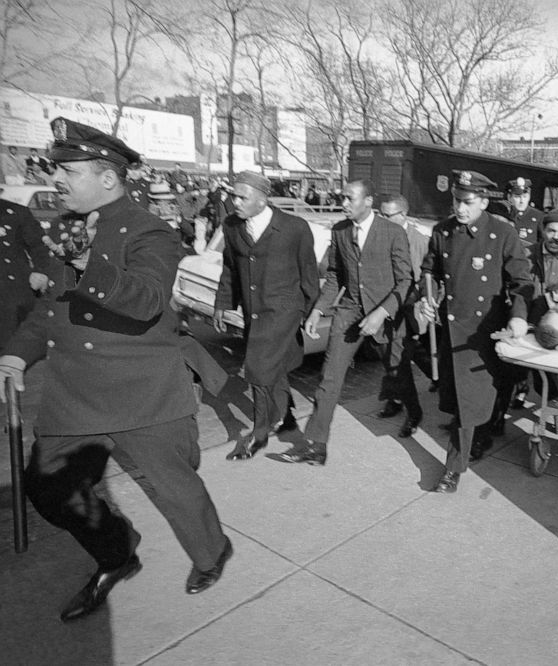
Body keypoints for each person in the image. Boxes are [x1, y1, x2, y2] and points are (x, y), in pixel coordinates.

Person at [0, 118, 231, 622]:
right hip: (75, 396)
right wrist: (19, 351)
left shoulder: (151, 231)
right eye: (54, 169)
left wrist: (88, 264)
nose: (56, 179)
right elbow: (51, 309)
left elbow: (147, 299)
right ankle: (117, 553)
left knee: (176, 491)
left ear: (108, 177)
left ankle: (212, 554)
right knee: (48, 489)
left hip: (141, 394)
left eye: (69, 171)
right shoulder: (66, 228)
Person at [271, 180, 412, 464]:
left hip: (384, 314)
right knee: (330, 377)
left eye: (350, 198)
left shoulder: (393, 232)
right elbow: (335, 275)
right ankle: (316, 445)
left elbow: (406, 280)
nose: (344, 203)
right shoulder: (340, 231)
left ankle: (414, 411)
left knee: (397, 369)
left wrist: (381, 313)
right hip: (348, 312)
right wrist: (318, 310)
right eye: (342, 198)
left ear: (368, 201)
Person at [418, 170, 533, 493]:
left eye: (467, 202)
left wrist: (519, 316)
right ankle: (477, 432)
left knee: (469, 402)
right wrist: (426, 300)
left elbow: (522, 280)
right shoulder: (442, 231)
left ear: (483, 201)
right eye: (456, 200)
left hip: (482, 332)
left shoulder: (502, 232)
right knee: (459, 401)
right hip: (449, 328)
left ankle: (453, 468)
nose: (460, 207)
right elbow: (429, 272)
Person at [213, 171, 319, 460]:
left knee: (258, 368)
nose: (235, 201)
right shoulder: (232, 225)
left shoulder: (294, 227)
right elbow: (230, 269)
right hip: (254, 312)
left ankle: (259, 433)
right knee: (273, 370)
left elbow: (308, 272)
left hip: (284, 311)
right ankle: (287, 421)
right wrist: (222, 303)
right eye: (233, 195)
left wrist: (310, 311)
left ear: (262, 200)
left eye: (242, 197)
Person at [377, 193, 432, 436]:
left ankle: (413, 411)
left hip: (407, 310)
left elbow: (426, 279)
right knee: (390, 358)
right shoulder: (378, 235)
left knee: (399, 360)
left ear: (403, 215)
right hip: (381, 308)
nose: (382, 219)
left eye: (387, 215)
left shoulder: (418, 241)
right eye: (380, 214)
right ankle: (395, 397)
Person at [0, 195, 50, 351]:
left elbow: (40, 247)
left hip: (11, 290)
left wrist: (40, 272)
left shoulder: (15, 212)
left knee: (11, 346)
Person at [505, 177, 543, 245]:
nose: (522, 201)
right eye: (517, 197)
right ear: (509, 197)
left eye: (525, 197)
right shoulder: (504, 215)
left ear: (529, 197)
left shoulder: (538, 216)